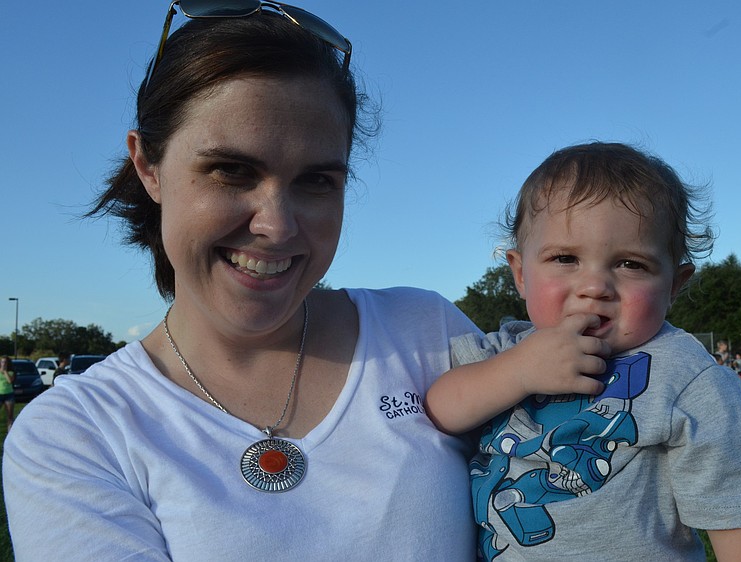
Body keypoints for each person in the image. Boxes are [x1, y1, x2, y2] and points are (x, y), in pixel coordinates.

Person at [3, 3, 480, 560]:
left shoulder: (425, 334)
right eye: (231, 170)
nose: (276, 226)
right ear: (148, 166)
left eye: (317, 180)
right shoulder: (78, 435)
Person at [426, 142, 741, 561]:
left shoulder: (686, 378)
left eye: (630, 264)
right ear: (520, 273)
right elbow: (441, 408)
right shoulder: (507, 350)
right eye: (565, 258)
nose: (595, 286)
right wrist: (519, 372)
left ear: (674, 283)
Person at [0, 356, 15, 430]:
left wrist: (5, 371)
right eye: (2, 362)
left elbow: (10, 381)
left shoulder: (11, 372)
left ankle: (10, 431)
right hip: (0, 394)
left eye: (5, 362)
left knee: (10, 415)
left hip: (9, 394)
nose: (3, 363)